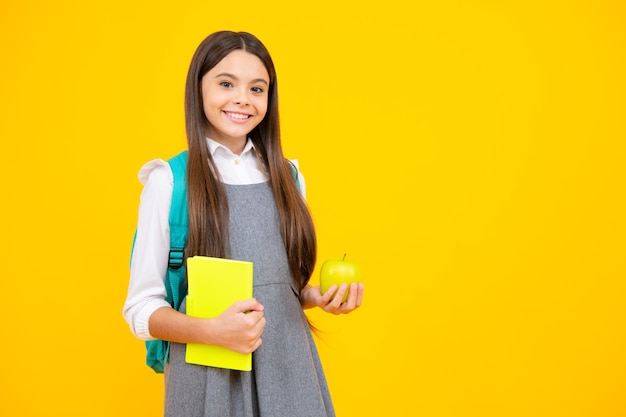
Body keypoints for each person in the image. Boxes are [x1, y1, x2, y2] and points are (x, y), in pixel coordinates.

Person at [123, 30, 364, 417]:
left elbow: (277, 287)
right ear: (197, 89)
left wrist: (314, 297)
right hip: (207, 376)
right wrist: (211, 331)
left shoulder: (289, 176)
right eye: (225, 83)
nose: (242, 99)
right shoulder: (169, 182)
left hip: (290, 368)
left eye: (257, 88)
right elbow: (140, 309)